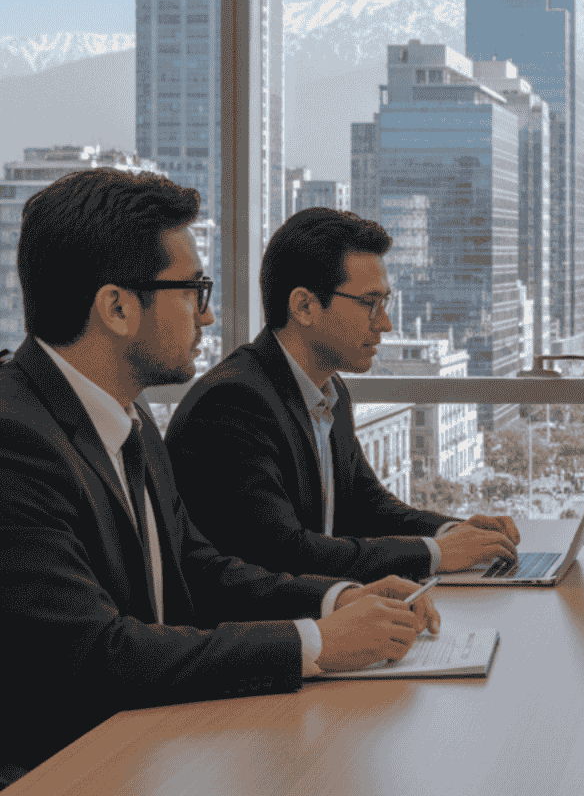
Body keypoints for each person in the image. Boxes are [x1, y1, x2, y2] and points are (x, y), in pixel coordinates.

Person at [0, 169, 439, 785]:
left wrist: (337, 599)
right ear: (118, 307)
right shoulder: (15, 440)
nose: (207, 319)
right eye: (193, 291)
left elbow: (197, 569)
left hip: (150, 747)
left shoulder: (129, 415)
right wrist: (317, 642)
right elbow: (98, 655)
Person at [166, 208, 520, 582]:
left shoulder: (329, 390)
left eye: (385, 302)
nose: (384, 323)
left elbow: (366, 507)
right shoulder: (233, 404)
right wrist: (435, 554)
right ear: (304, 306)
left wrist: (454, 534)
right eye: (370, 303)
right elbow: (283, 552)